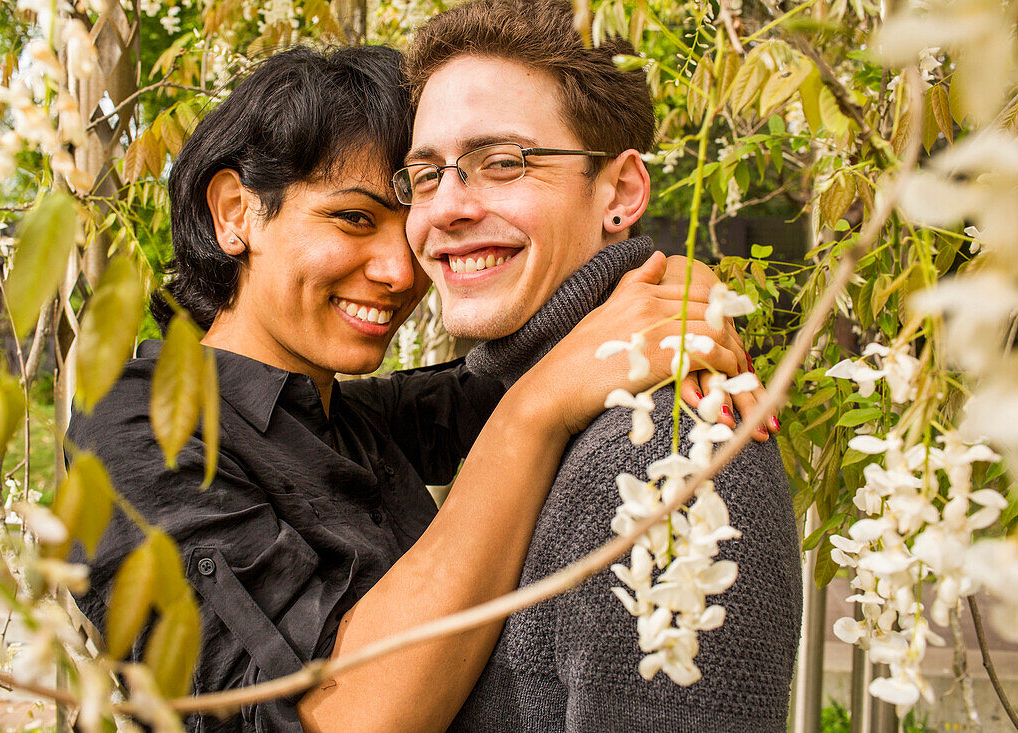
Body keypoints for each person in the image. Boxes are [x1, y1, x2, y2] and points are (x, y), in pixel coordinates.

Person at [67, 45, 753, 732]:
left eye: (410, 224)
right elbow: (310, 720)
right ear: (236, 213)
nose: (401, 271)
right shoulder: (137, 431)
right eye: (354, 219)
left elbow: (518, 372)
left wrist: (659, 279)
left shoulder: (347, 417)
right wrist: (532, 413)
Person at [391, 0, 805, 729]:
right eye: (426, 175)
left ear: (619, 193)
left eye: (502, 162)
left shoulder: (668, 452)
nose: (446, 207)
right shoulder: (529, 408)